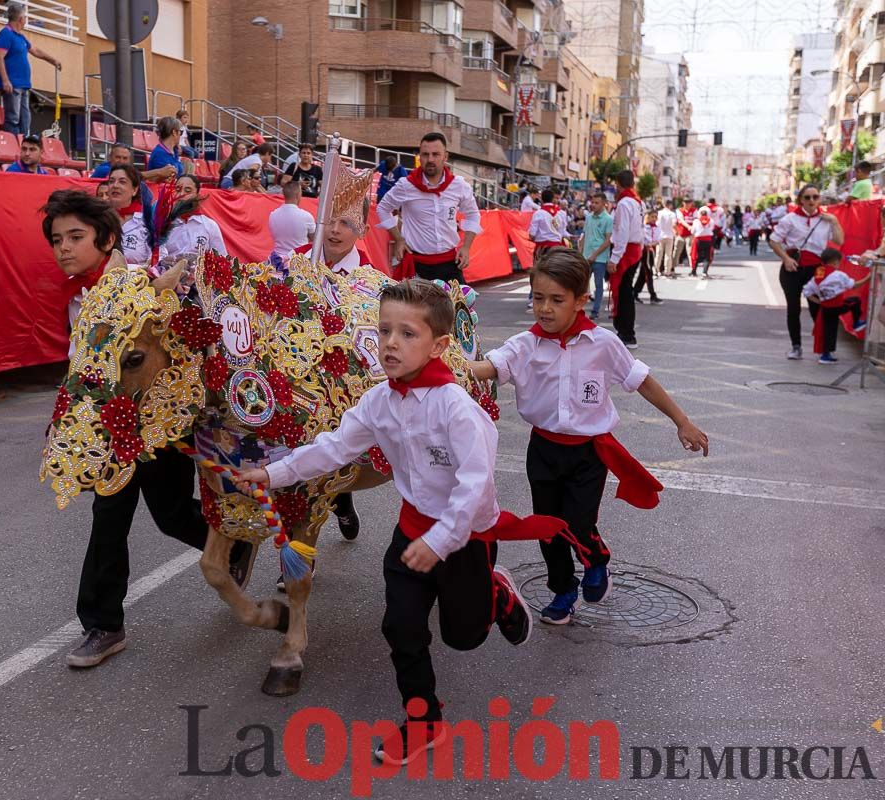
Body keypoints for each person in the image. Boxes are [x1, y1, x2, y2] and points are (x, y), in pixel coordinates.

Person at [236, 278, 552, 765]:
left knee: (463, 638)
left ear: (439, 345)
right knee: (401, 628)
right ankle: (424, 721)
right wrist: (270, 474)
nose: (390, 343)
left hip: (464, 537)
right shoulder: (379, 401)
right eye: (384, 331)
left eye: (407, 333)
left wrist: (443, 540)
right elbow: (334, 448)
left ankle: (495, 592)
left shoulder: (459, 410)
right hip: (411, 535)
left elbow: (476, 489)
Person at [39, 190, 252, 669]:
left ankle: (235, 540)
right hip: (110, 429)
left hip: (157, 423)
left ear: (108, 237)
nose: (64, 248)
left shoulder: (141, 285)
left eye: (76, 237)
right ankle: (103, 624)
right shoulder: (79, 296)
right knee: (108, 516)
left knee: (171, 514)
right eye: (57, 240)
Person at [470, 248, 708, 624]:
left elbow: (641, 381)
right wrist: (447, 369)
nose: (545, 308)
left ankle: (597, 560)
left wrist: (682, 420)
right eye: (537, 298)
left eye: (556, 300)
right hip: (543, 449)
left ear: (581, 301)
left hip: (588, 453)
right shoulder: (525, 345)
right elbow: (489, 367)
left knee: (579, 521)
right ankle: (563, 590)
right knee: (547, 527)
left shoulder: (603, 343)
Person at [376, 131, 481, 283]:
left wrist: (466, 247)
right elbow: (382, 208)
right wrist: (398, 239)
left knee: (461, 307)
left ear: (445, 156)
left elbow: (473, 214)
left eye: (436, 154)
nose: (430, 159)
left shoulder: (458, 185)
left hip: (450, 264)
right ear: (419, 157)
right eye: (425, 154)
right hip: (417, 266)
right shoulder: (406, 185)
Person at [769, 184, 846, 360]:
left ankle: (825, 350)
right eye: (807, 197)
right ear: (800, 200)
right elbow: (774, 241)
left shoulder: (827, 220)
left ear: (819, 199)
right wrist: (786, 259)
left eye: (815, 197)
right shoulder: (790, 219)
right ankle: (796, 347)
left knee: (819, 309)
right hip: (793, 269)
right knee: (793, 308)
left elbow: (839, 240)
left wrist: (834, 221)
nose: (812, 201)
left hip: (817, 271)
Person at [0, 1, 61, 136]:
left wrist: (52, 60)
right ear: (20, 19)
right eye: (25, 17)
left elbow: (35, 50)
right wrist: (6, 80)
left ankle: (24, 144)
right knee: (13, 118)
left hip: (23, 85)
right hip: (13, 84)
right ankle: (13, 146)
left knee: (25, 119)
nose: (26, 20)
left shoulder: (20, 36)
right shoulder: (6, 34)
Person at [804, 247, 871, 363]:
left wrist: (819, 301)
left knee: (828, 330)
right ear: (835, 262)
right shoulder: (839, 275)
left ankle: (825, 355)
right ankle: (856, 322)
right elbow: (853, 285)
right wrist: (867, 278)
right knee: (855, 300)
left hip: (825, 308)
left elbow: (807, 292)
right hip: (836, 306)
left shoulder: (818, 273)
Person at [607, 170, 644, 349]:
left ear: (618, 184)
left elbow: (621, 232)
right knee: (625, 292)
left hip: (626, 251)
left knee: (623, 293)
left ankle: (626, 333)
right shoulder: (638, 202)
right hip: (635, 249)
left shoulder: (624, 203)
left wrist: (614, 258)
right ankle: (625, 331)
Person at [106, 164, 155, 267]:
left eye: (122, 182)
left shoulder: (147, 221)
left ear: (134, 190)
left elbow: (158, 255)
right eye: (111, 181)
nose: (115, 185)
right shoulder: (97, 217)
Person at [580, 192, 613, 319]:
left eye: (596, 203)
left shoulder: (608, 219)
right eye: (592, 202)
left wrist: (595, 254)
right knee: (582, 283)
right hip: (585, 256)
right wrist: (581, 249)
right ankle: (580, 308)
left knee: (598, 284)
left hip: (599, 257)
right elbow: (585, 234)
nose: (593, 205)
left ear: (604, 204)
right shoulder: (588, 217)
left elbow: (608, 240)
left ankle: (595, 310)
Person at [268, 180, 315, 262]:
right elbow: (315, 238)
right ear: (298, 195)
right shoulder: (306, 216)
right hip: (298, 261)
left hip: (277, 259)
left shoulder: (273, 214)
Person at [529, 188, 570, 257]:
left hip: (542, 247)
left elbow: (532, 234)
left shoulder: (538, 213)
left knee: (540, 267)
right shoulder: (562, 213)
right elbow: (562, 232)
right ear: (552, 198)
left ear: (541, 199)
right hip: (556, 247)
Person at [633, 210, 662, 304]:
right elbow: (643, 239)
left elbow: (657, 240)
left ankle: (635, 292)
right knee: (648, 273)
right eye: (652, 217)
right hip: (644, 251)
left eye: (655, 217)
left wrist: (652, 244)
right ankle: (652, 295)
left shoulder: (657, 228)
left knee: (643, 273)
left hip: (651, 251)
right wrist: (649, 244)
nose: (654, 219)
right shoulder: (644, 227)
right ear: (647, 217)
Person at [144, 116, 186, 182]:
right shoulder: (160, 154)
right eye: (181, 132)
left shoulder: (174, 151)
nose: (180, 135)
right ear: (174, 132)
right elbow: (166, 180)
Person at [689, 207, 715, 278]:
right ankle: (704, 272)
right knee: (707, 257)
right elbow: (712, 229)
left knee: (695, 255)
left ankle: (694, 271)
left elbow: (692, 231)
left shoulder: (696, 221)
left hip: (698, 241)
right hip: (708, 240)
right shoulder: (711, 221)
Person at [654, 199, 677, 277]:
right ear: (670, 205)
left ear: (664, 204)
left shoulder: (659, 213)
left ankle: (656, 271)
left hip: (660, 235)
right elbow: (674, 224)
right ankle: (667, 271)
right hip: (669, 235)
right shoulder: (672, 214)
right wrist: (676, 232)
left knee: (658, 254)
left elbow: (656, 224)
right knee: (668, 254)